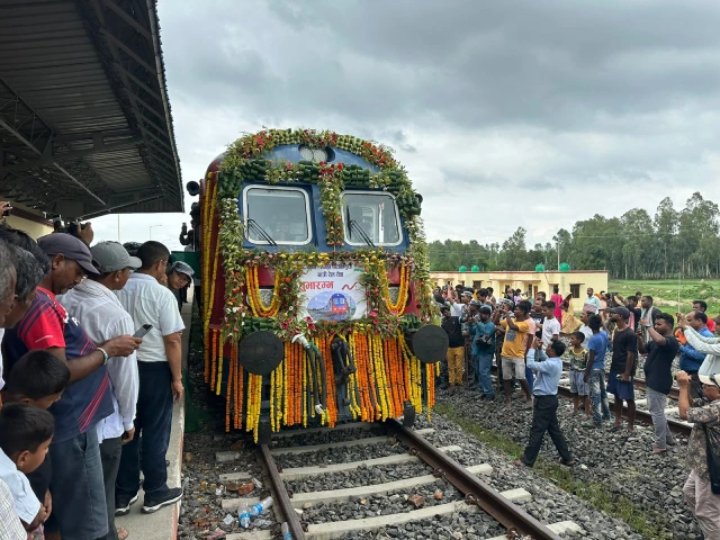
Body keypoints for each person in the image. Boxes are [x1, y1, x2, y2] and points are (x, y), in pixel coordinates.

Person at [1, 233, 139, 539]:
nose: (79, 281)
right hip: (72, 423)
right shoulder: (39, 306)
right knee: (87, 520)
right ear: (56, 261)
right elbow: (57, 371)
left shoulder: (46, 300)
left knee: (75, 513)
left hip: (69, 422)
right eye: (77, 271)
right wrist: (107, 351)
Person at [58, 241, 141, 540]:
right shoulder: (115, 315)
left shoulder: (63, 300)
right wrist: (129, 419)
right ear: (117, 275)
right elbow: (125, 377)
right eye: (128, 270)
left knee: (71, 497)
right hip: (103, 420)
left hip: (65, 415)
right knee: (100, 497)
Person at [116, 241, 185, 515]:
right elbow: (172, 340)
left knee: (126, 428)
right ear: (159, 264)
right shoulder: (162, 294)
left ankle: (123, 494)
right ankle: (156, 491)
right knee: (155, 431)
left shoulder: (119, 288)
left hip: (122, 368)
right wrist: (177, 378)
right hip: (154, 371)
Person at [515, 338, 573, 468]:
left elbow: (530, 364)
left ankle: (527, 460)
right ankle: (567, 458)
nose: (547, 348)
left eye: (549, 347)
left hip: (544, 401)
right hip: (550, 400)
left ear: (553, 351)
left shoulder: (550, 364)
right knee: (554, 430)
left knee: (537, 430)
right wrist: (540, 350)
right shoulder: (555, 361)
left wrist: (532, 349)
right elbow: (544, 358)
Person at [677, 370, 720, 538]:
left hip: (711, 468)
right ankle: (709, 528)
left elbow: (684, 413)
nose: (703, 386)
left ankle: (713, 532)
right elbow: (691, 404)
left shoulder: (716, 409)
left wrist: (682, 387)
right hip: (702, 464)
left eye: (707, 385)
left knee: (708, 512)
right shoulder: (712, 402)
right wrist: (687, 388)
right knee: (689, 493)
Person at [0, 404, 55, 533]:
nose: (47, 452)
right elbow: (35, 517)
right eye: (45, 448)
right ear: (23, 458)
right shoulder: (15, 480)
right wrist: (38, 512)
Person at [638, 313, 679, 453]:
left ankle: (661, 445)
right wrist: (639, 337)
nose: (656, 326)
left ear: (669, 325)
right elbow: (643, 350)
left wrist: (648, 327)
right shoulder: (656, 340)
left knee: (656, 413)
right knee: (658, 412)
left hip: (659, 381)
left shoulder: (671, 341)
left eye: (659, 324)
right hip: (653, 380)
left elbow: (661, 341)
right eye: (655, 324)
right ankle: (669, 438)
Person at [607, 306, 638, 432]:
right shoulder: (617, 330)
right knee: (617, 396)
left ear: (620, 316)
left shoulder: (630, 334)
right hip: (615, 367)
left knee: (629, 398)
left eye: (613, 313)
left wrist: (626, 373)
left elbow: (631, 354)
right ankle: (617, 421)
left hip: (623, 370)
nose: (611, 315)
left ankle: (630, 426)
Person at [499, 300, 533, 403]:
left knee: (521, 377)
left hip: (518, 354)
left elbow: (513, 327)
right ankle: (508, 397)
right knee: (506, 377)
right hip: (506, 353)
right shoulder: (511, 319)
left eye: (517, 309)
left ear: (522, 312)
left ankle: (528, 396)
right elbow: (497, 322)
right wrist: (498, 312)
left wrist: (506, 314)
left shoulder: (525, 324)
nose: (515, 311)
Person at [583, 314, 611, 427]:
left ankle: (597, 420)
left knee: (595, 395)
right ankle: (607, 415)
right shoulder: (604, 334)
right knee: (603, 393)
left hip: (593, 369)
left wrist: (586, 373)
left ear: (589, 325)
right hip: (601, 367)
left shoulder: (593, 339)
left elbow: (591, 359)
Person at [679, 311, 714, 399]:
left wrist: (681, 348)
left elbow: (701, 356)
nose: (687, 323)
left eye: (689, 320)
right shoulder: (694, 333)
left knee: (695, 399)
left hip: (696, 373)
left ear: (699, 321)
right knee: (689, 398)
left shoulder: (707, 335)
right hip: (689, 372)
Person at [469, 305, 495, 400]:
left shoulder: (491, 325)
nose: (481, 315)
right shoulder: (479, 323)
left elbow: (486, 332)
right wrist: (471, 324)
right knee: (479, 373)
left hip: (486, 352)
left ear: (488, 315)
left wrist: (477, 323)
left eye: (484, 314)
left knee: (484, 373)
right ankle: (484, 391)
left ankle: (490, 393)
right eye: (481, 313)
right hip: (477, 351)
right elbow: (472, 332)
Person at [565, 332, 589, 415]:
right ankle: (575, 410)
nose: (570, 340)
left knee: (585, 394)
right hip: (573, 373)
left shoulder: (585, 352)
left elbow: (587, 364)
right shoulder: (571, 350)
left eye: (572, 338)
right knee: (575, 392)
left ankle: (587, 412)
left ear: (579, 340)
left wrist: (586, 375)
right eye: (570, 338)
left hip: (581, 374)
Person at [440, 304, 464, 388]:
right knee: (450, 366)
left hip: (459, 346)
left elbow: (464, 320)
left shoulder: (456, 319)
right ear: (443, 314)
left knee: (459, 366)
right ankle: (452, 382)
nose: (447, 313)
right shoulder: (443, 323)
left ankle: (459, 381)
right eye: (445, 312)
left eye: (448, 311)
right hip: (449, 347)